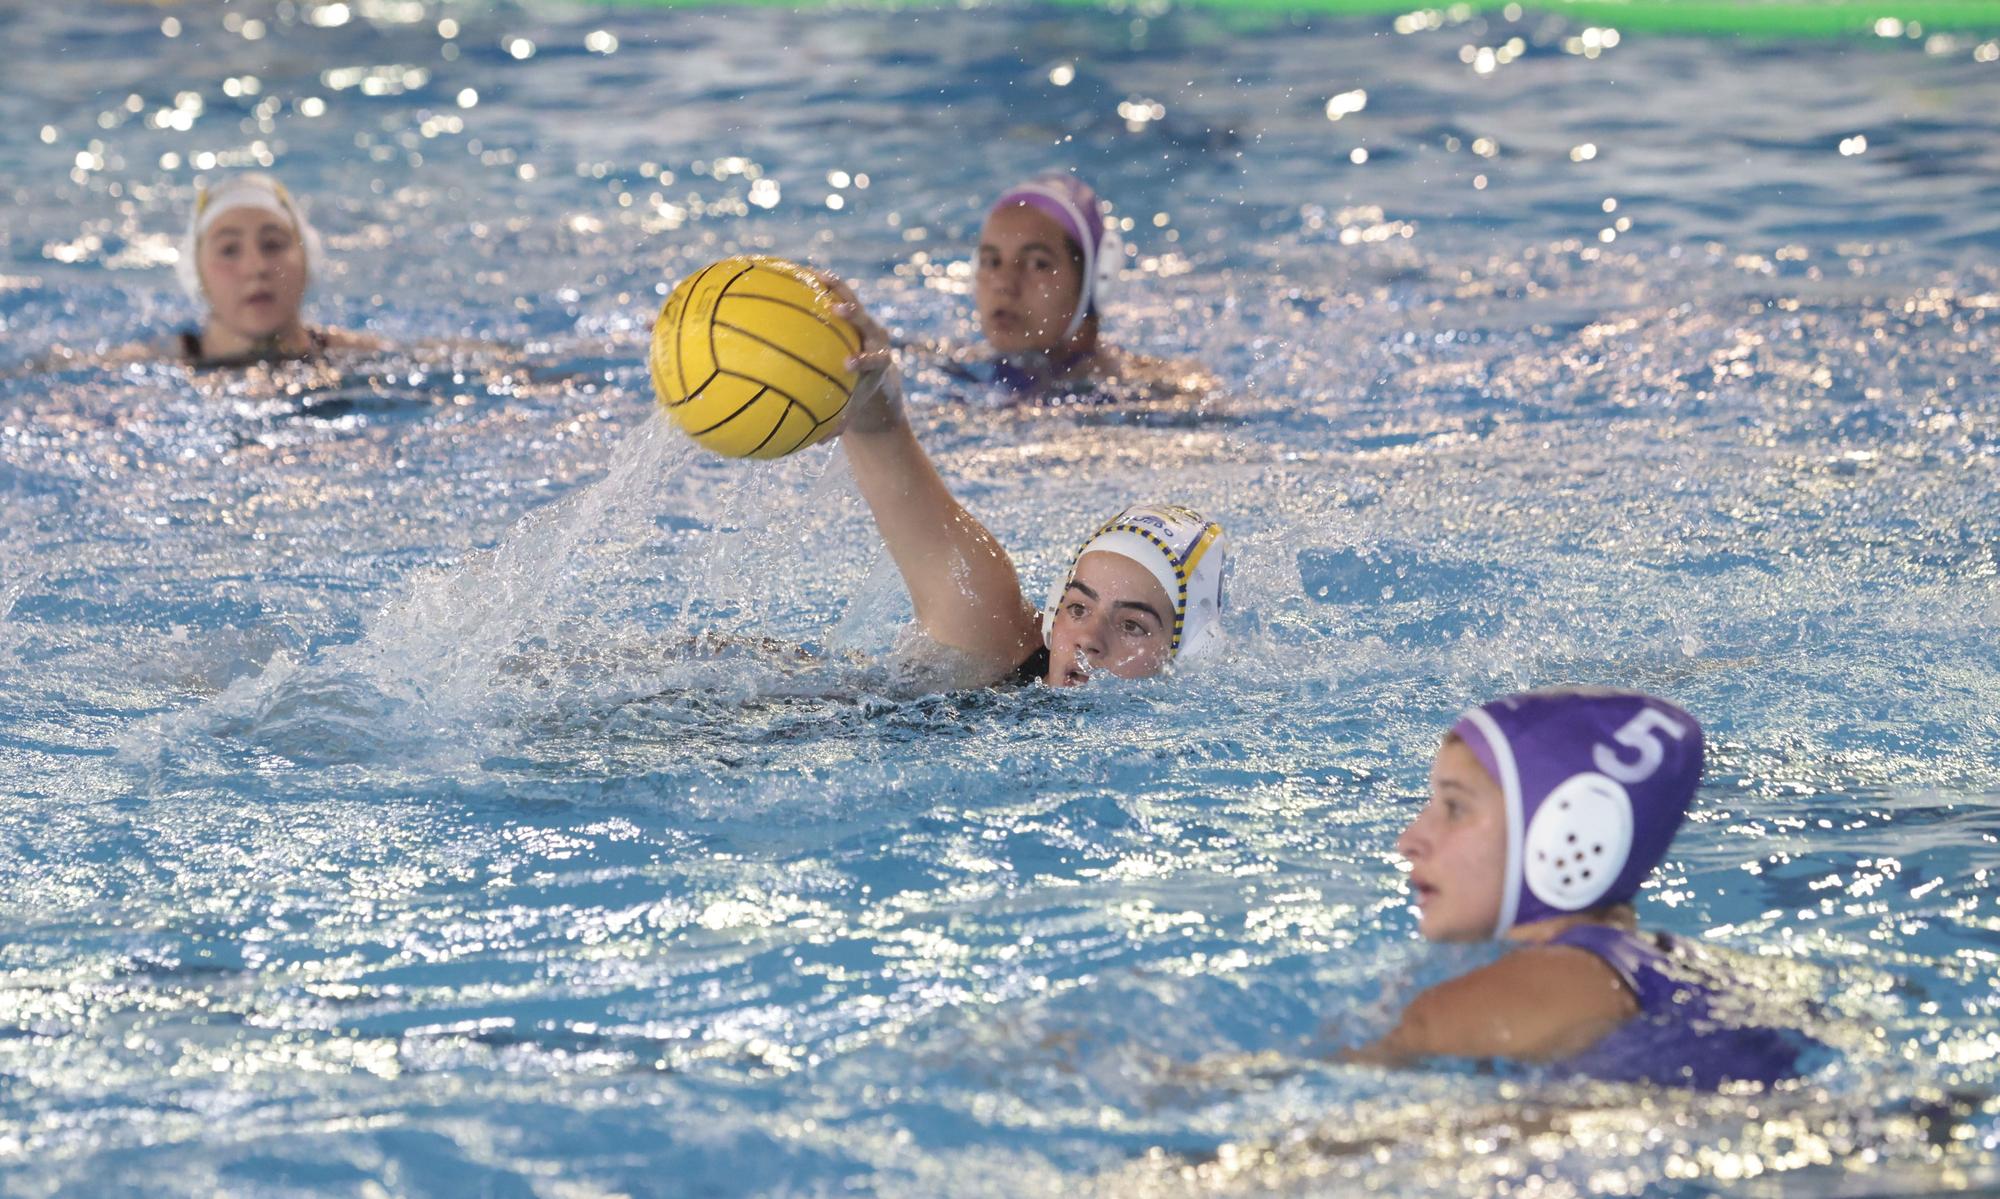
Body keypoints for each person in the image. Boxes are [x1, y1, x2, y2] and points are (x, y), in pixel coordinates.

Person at [1348, 687, 1819, 1088]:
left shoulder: (1452, 1015)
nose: (1409, 840)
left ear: (1565, 830)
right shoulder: (1705, 969)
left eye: (1455, 807)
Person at [821, 272, 1226, 689]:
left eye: (1132, 625)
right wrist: (870, 395)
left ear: (1189, 652)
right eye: (1078, 609)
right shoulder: (999, 641)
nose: (1088, 640)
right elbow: (886, 448)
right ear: (1053, 614)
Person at [918, 172, 1213, 406]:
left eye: (1037, 264)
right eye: (991, 261)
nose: (1004, 284)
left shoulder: (1156, 393)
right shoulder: (954, 367)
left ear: (1096, 279)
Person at [171, 172, 377, 368]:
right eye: (229, 250)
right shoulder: (150, 368)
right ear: (196, 272)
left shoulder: (370, 358)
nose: (256, 267)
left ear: (307, 259)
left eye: (273, 244)